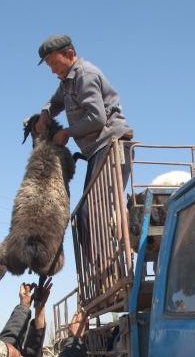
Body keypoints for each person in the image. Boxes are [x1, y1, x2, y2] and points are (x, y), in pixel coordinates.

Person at [35, 35, 133, 263]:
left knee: (93, 213)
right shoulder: (67, 81)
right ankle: (102, 272)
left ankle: (108, 271)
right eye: (49, 66)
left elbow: (97, 119)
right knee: (84, 215)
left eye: (54, 64)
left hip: (112, 146)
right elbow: (55, 101)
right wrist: (45, 113)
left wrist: (66, 133)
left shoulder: (85, 75)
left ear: (69, 55)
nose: (52, 70)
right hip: (98, 151)